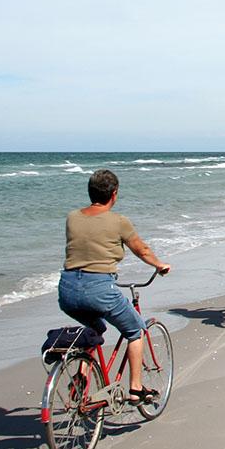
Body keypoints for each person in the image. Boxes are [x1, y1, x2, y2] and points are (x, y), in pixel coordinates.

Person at [60, 169, 171, 403]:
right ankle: (135, 388)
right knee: (135, 330)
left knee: (95, 329)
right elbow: (141, 250)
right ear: (114, 194)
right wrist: (159, 265)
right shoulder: (119, 221)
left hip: (68, 289)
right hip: (100, 288)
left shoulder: (72, 217)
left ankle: (82, 376)